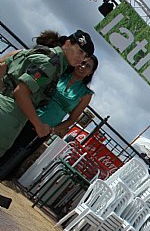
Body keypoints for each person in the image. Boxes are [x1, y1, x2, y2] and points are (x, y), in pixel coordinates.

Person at [0, 52, 99, 180]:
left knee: (16, 156)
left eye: (88, 66)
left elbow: (72, 119)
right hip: (27, 115)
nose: (83, 67)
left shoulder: (86, 94)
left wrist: (53, 130)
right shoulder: (60, 73)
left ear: (90, 72)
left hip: (43, 129)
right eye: (83, 62)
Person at [0, 29, 94, 158]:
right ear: (67, 44)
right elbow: (21, 93)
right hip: (10, 116)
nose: (81, 58)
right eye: (80, 51)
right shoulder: (51, 64)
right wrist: (39, 125)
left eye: (85, 56)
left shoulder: (44, 52)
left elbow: (4, 65)